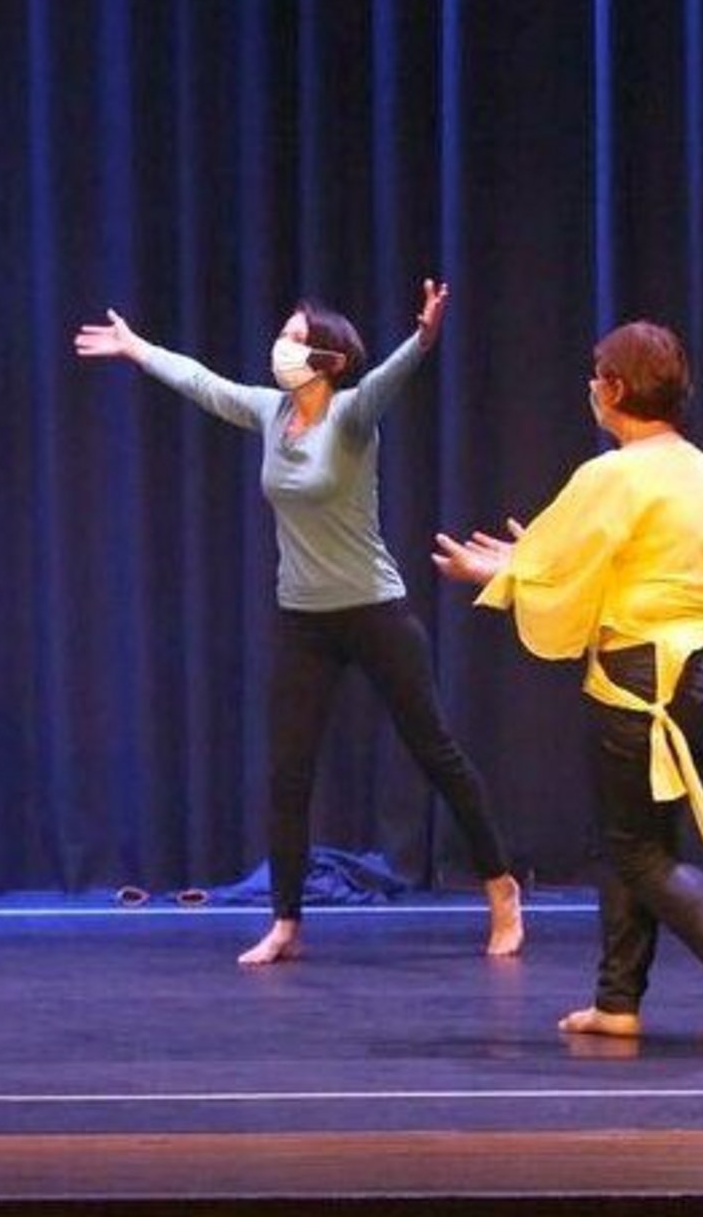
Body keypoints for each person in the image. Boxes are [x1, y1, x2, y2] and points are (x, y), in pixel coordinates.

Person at [75, 281, 524, 966]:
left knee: (435, 752)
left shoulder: (350, 418)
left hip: (375, 609)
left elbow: (388, 380)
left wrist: (425, 337)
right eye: (281, 333)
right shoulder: (269, 411)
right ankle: (286, 922)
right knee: (288, 773)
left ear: (327, 358)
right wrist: (136, 348)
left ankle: (502, 890)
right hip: (303, 619)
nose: (279, 347)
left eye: (292, 336)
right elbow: (203, 382)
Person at [431, 319, 703, 1046]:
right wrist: (528, 559)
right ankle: (617, 1001)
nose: (591, 387)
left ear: (617, 388)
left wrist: (497, 570)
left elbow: (555, 567)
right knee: (638, 839)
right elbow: (581, 557)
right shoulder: (701, 466)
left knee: (633, 848)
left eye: (598, 374)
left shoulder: (614, 474)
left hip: (650, 675)